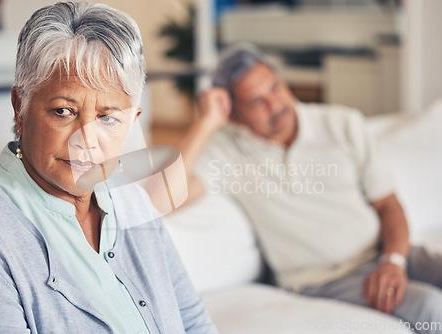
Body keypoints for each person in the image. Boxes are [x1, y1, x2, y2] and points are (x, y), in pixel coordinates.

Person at [0, 2, 217, 333]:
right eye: (63, 111)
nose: (86, 140)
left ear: (132, 122)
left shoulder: (131, 202)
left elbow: (194, 322)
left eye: (107, 117)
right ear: (20, 107)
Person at [178, 44, 442, 333]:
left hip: (387, 252)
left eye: (275, 87)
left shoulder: (342, 123)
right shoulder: (225, 153)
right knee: (431, 306)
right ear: (233, 113)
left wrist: (393, 260)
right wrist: (205, 122)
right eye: (256, 101)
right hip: (324, 280)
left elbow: (388, 204)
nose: (275, 104)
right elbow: (160, 197)